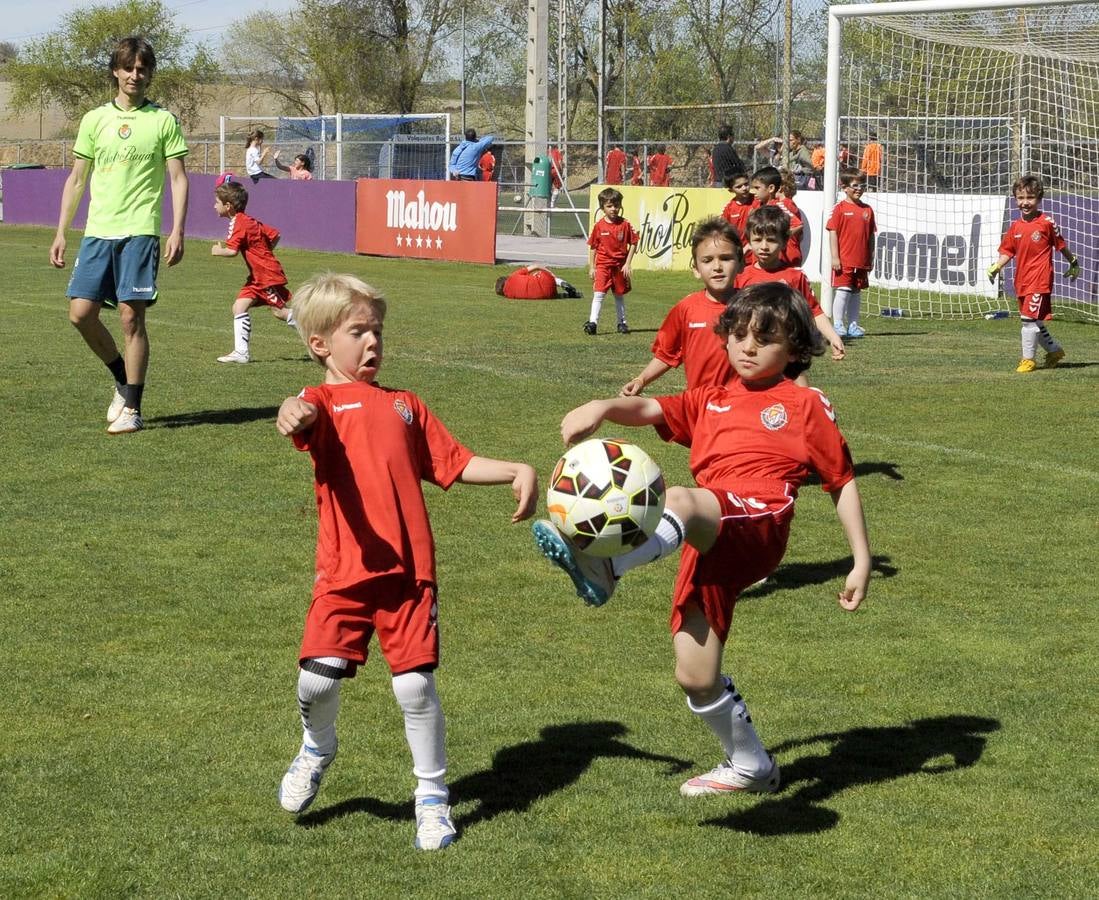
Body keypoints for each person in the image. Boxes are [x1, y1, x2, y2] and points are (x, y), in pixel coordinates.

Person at [531, 281, 871, 798]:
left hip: (760, 517)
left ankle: (606, 567)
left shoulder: (805, 403)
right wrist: (600, 405)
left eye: (765, 338)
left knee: (683, 498)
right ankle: (752, 765)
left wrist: (860, 559)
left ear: (797, 348)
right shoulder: (710, 399)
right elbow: (650, 411)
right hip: (710, 536)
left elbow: (841, 480)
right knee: (695, 672)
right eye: (738, 335)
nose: (748, 347)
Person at [275, 272, 537, 850]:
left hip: (409, 572)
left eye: (377, 331)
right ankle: (318, 748)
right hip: (344, 572)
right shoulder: (321, 402)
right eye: (357, 332)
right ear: (320, 344)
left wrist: (515, 469)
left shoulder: (406, 406)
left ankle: (433, 798)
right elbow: (299, 411)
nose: (373, 342)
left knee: (414, 688)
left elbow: (452, 463)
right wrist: (290, 412)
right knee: (315, 683)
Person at [49, 36, 189, 435]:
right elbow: (77, 178)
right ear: (116, 70)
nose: (135, 75)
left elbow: (178, 179)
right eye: (128, 67)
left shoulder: (163, 121)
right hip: (98, 232)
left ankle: (134, 408)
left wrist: (177, 229)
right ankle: (121, 380)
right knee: (80, 314)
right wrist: (61, 231)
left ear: (150, 74)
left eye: (142, 68)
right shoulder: (95, 119)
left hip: (141, 231)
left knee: (131, 318)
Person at [621, 217, 743, 396]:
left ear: (741, 264)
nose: (717, 267)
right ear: (695, 268)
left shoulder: (754, 307)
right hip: (700, 407)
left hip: (742, 406)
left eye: (725, 258)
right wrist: (641, 379)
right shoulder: (686, 309)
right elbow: (666, 354)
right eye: (707, 260)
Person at [735, 205, 846, 379]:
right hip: (752, 353)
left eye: (771, 240)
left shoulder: (795, 277)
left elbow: (813, 311)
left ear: (785, 241)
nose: (764, 247)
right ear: (749, 240)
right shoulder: (741, 278)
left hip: (785, 354)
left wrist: (833, 337)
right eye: (757, 240)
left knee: (796, 395)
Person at [987, 174, 1080, 373]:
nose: (1025, 203)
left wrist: (1073, 261)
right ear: (1015, 199)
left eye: (1030, 198)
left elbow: (1060, 245)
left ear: (1039, 198)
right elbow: (1008, 251)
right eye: (1020, 198)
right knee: (1034, 321)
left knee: (1028, 321)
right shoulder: (1015, 227)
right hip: (1022, 280)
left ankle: (1028, 360)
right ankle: (1054, 351)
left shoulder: (1046, 222)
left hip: (1040, 279)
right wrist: (997, 267)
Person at [210, 176, 296, 363]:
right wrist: (264, 252)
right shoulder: (248, 220)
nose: (214, 206)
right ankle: (241, 353)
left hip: (266, 276)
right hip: (258, 276)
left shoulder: (239, 223)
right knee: (239, 307)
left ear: (228, 206)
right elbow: (275, 235)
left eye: (217, 202)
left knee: (280, 312)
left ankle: (318, 329)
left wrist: (217, 251)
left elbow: (232, 251)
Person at [827, 170, 877, 339]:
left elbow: (871, 236)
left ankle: (853, 325)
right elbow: (833, 232)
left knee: (856, 291)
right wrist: (835, 257)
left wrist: (871, 256)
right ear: (845, 188)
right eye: (855, 185)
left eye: (862, 185)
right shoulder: (840, 209)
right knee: (844, 289)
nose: (859, 189)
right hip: (844, 259)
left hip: (861, 260)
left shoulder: (867, 210)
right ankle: (838, 324)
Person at [585, 187, 639, 335]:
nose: (613, 209)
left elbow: (634, 242)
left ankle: (622, 323)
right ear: (603, 207)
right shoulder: (599, 226)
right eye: (609, 206)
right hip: (603, 266)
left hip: (619, 267)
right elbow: (593, 247)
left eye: (616, 205)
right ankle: (593, 323)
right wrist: (592, 266)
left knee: (619, 295)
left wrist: (627, 263)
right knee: (599, 294)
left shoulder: (625, 224)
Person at [748, 166, 803, 267]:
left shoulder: (779, 206)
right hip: (765, 258)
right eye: (753, 188)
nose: (753, 192)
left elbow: (798, 225)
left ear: (771, 188)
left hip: (786, 258)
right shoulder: (757, 206)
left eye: (757, 188)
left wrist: (782, 238)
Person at [495, 264, 582, 300]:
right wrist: (550, 273)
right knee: (536, 274)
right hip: (547, 281)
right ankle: (560, 282)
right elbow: (536, 266)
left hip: (547, 295)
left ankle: (569, 295)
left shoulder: (509, 295)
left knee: (548, 294)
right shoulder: (513, 276)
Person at [720, 172, 754, 246]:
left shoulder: (757, 201)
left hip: (754, 248)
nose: (744, 188)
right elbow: (723, 228)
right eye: (739, 187)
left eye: (746, 184)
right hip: (738, 247)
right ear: (731, 190)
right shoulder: (729, 208)